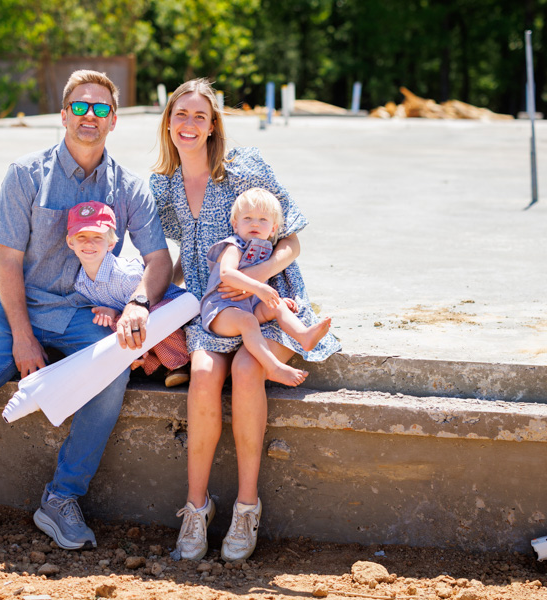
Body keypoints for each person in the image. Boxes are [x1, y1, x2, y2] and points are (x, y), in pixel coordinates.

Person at [0, 70, 172, 565]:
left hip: (82, 316)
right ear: (64, 114)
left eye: (102, 109)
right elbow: (7, 260)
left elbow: (158, 259)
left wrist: (136, 303)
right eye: (81, 107)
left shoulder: (129, 186)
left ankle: (61, 499)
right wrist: (23, 338)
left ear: (113, 121)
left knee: (112, 376)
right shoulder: (25, 174)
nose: (90, 116)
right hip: (15, 310)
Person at [150, 78, 340, 562]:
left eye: (200, 116)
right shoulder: (164, 184)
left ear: (213, 125)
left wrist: (252, 277)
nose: (189, 124)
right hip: (213, 308)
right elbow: (182, 256)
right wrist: (157, 304)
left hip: (271, 298)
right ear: (168, 121)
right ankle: (196, 508)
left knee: (247, 369)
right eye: (181, 114)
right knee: (204, 374)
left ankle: (247, 506)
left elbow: (291, 240)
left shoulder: (244, 169)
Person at [201, 187, 332, 386]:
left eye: (263, 220)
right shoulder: (233, 246)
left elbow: (260, 290)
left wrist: (274, 298)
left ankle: (303, 335)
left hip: (249, 306)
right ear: (235, 225)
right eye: (248, 218)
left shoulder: (265, 250)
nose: (255, 223)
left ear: (273, 229)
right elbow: (226, 274)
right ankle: (272, 367)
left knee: (277, 306)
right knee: (247, 321)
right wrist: (259, 288)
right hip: (221, 311)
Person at [66, 200, 190, 387]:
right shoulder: (80, 283)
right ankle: (156, 367)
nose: (89, 243)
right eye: (81, 236)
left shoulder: (126, 276)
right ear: (70, 242)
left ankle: (181, 363)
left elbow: (142, 306)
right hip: (138, 323)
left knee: (144, 317)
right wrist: (112, 312)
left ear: (110, 244)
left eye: (97, 237)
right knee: (115, 325)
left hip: (174, 313)